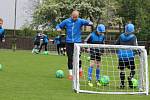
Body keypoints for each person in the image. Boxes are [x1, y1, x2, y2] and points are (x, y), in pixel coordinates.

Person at [56, 10, 93, 80]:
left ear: (78, 16)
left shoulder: (80, 21)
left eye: (76, 17)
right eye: (74, 17)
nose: (75, 18)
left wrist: (89, 22)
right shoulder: (66, 21)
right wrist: (58, 28)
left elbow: (89, 22)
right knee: (70, 58)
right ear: (71, 15)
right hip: (69, 42)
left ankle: (80, 70)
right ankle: (70, 74)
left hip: (77, 43)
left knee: (78, 58)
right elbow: (58, 25)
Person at [115, 23, 138, 89]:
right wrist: (139, 53)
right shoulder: (133, 37)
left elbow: (116, 44)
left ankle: (122, 84)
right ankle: (130, 77)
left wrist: (119, 51)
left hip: (121, 56)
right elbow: (136, 47)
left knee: (122, 70)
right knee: (133, 69)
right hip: (130, 56)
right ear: (132, 30)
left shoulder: (121, 36)